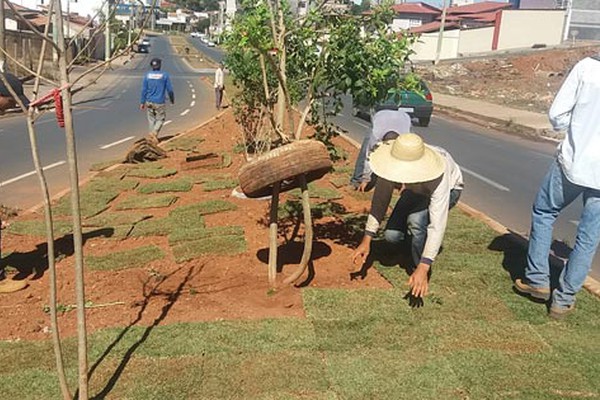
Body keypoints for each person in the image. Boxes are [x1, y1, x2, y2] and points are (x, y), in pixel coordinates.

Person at [514, 55, 600, 319]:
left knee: (544, 212)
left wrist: (573, 127)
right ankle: (563, 300)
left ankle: (538, 278)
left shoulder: (587, 68)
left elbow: (557, 114)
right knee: (589, 236)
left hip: (574, 162)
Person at [352, 133, 464, 298]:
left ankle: (417, 267)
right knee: (391, 236)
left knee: (416, 220)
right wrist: (367, 239)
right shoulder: (390, 165)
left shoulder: (439, 173)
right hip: (414, 190)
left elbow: (437, 225)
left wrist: (424, 266)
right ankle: (408, 249)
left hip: (451, 189)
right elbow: (380, 202)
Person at [350, 109, 411, 192]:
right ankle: (356, 180)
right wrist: (366, 179)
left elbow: (406, 159)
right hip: (380, 117)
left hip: (403, 118)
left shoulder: (405, 137)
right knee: (364, 151)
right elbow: (368, 156)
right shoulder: (375, 134)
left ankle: (395, 180)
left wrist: (405, 182)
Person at [140, 58, 174, 143]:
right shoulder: (164, 75)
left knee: (151, 119)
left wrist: (142, 102)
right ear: (160, 65)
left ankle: (152, 138)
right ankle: (154, 132)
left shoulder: (147, 75)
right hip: (159, 102)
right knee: (161, 119)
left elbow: (144, 90)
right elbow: (169, 89)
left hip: (149, 101)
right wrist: (172, 99)